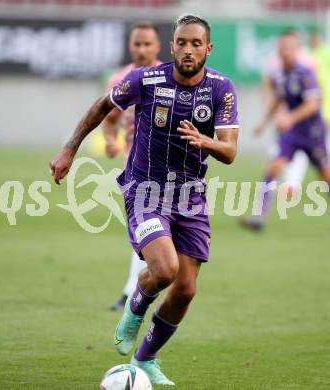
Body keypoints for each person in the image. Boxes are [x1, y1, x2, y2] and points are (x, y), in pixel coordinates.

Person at [49, 14, 239, 385]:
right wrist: (70, 148)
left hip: (190, 197)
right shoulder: (145, 80)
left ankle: (147, 357)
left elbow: (230, 151)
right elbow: (103, 106)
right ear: (171, 46)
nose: (188, 50)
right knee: (165, 270)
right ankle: (135, 307)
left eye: (196, 44)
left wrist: (207, 142)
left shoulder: (221, 88)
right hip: (145, 191)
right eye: (182, 42)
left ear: (208, 48)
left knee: (185, 289)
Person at [241, 30, 330, 231]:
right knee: (273, 168)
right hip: (291, 134)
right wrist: (264, 123)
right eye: (281, 48)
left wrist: (290, 117)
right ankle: (259, 217)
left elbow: (313, 104)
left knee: (326, 175)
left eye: (289, 48)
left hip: (313, 133)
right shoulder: (278, 74)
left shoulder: (305, 73)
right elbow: (280, 98)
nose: (284, 52)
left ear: (297, 50)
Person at [102, 22, 162, 311]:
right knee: (146, 231)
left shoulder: (170, 77)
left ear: (158, 46)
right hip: (137, 169)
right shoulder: (121, 78)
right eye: (137, 44)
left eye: (147, 44)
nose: (142, 50)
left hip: (172, 169)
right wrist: (111, 141)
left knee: (160, 236)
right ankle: (132, 292)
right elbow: (109, 118)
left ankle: (143, 288)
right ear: (130, 46)